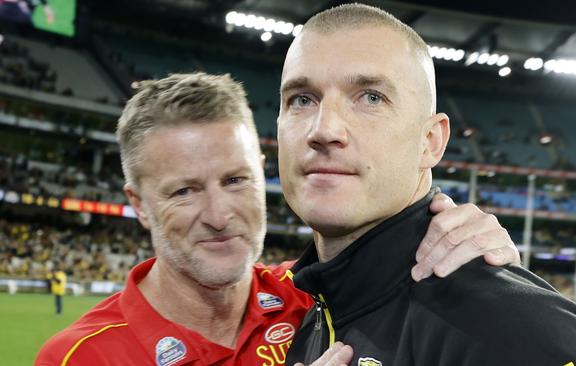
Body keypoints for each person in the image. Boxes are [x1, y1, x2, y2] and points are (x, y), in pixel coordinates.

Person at [35, 72, 518, 366]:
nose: (220, 216)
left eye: (236, 181)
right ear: (139, 203)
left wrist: (480, 254)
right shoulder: (80, 358)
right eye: (184, 191)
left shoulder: (315, 299)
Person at [279, 4, 576, 366]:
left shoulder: (512, 328)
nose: (323, 130)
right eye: (302, 99)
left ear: (431, 142)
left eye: (371, 97)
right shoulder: (305, 315)